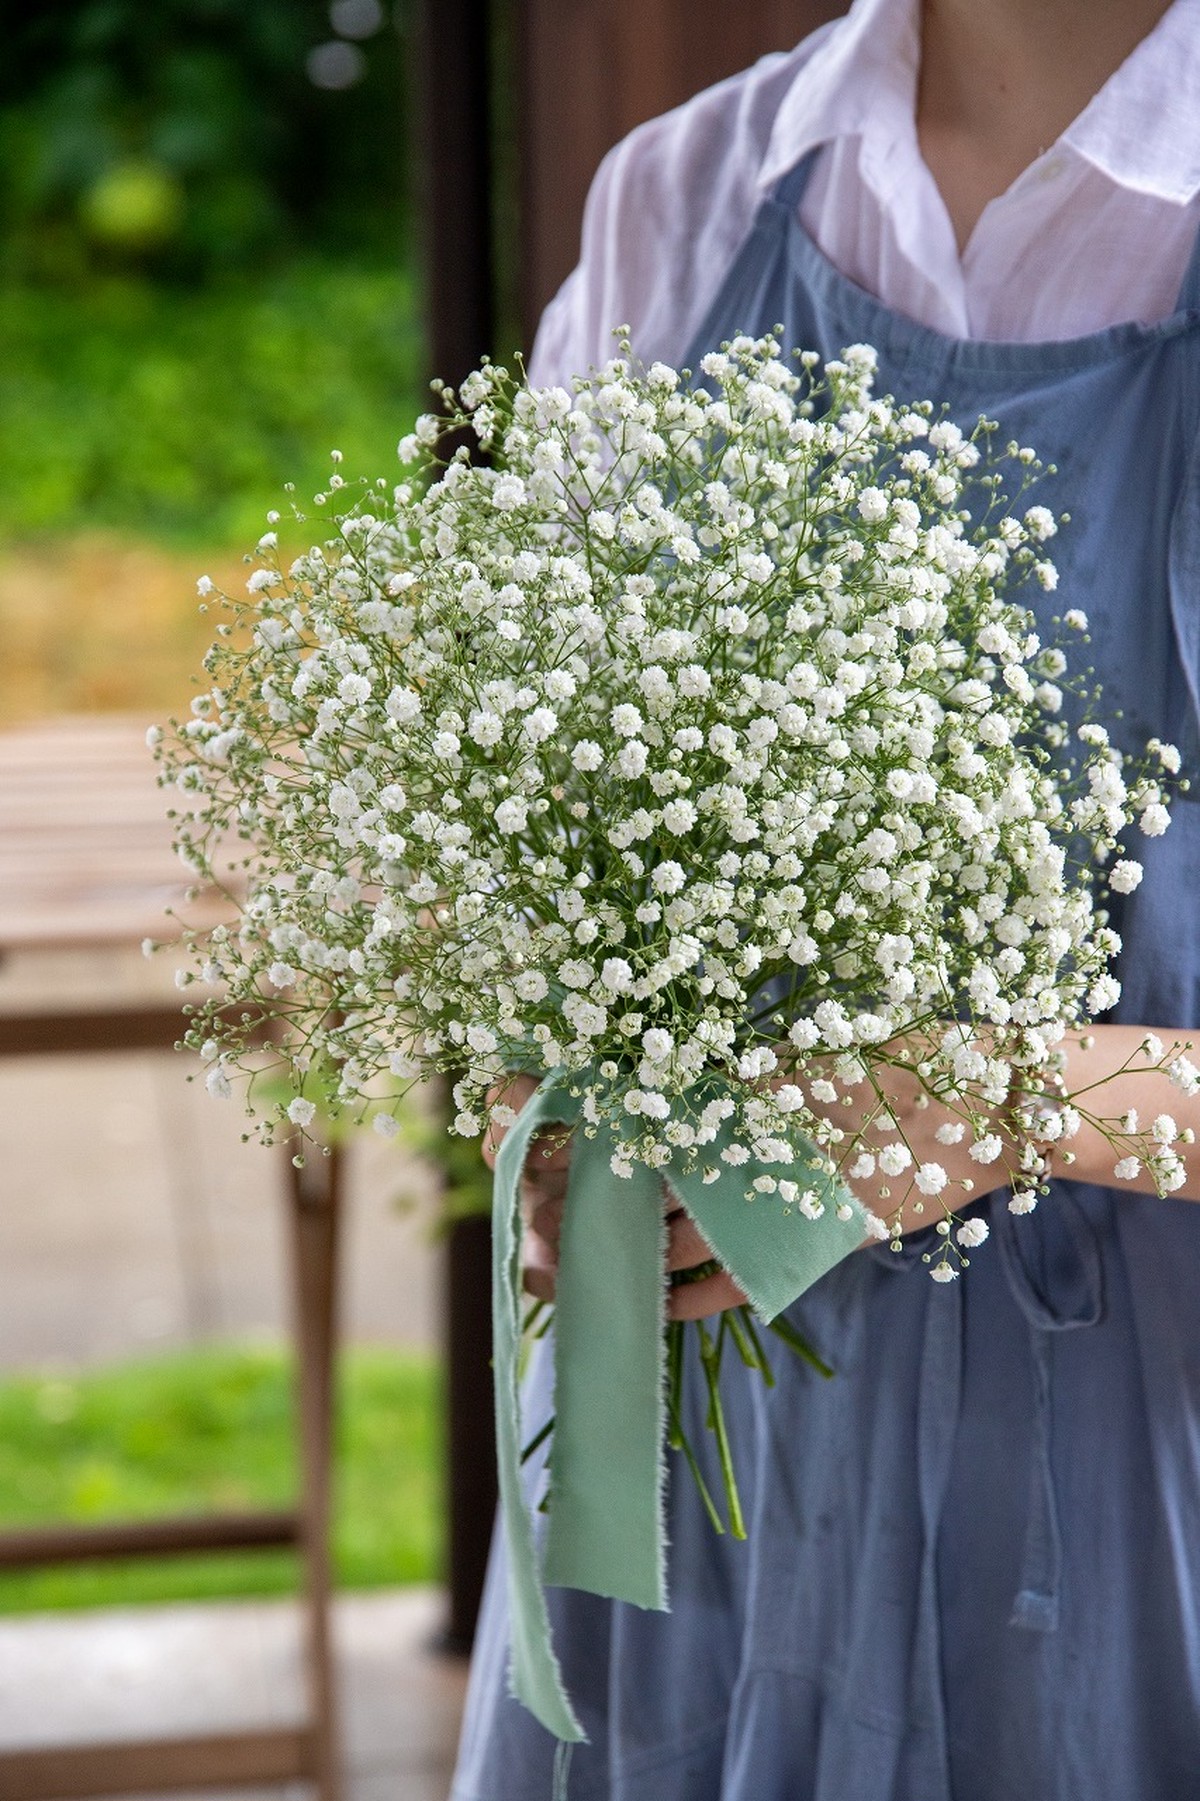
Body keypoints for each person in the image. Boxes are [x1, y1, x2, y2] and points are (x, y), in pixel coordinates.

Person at [451, 0, 1200, 1794]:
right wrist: (541, 1101)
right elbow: (522, 826)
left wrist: (1001, 1099)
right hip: (702, 1504)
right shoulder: (687, 197)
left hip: (1136, 1503)